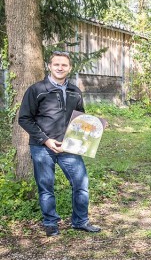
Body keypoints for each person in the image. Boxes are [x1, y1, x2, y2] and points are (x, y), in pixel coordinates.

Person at [18, 51, 101, 237]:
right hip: (42, 147)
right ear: (50, 66)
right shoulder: (36, 90)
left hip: (68, 147)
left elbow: (80, 119)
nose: (60, 68)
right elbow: (24, 119)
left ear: (69, 68)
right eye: (57, 64)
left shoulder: (75, 91)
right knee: (46, 186)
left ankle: (80, 221)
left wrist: (97, 125)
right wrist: (46, 140)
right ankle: (50, 223)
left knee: (81, 183)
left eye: (64, 65)